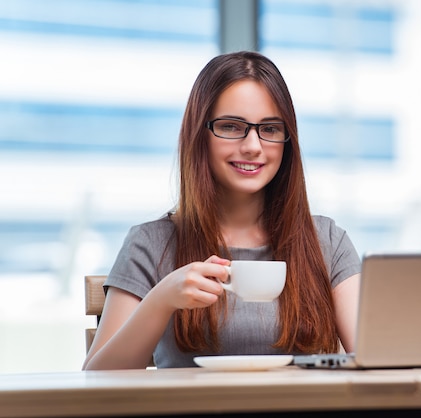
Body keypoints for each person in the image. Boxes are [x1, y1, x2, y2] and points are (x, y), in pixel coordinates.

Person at [82, 51, 362, 370]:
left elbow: (374, 360)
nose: (253, 146)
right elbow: (97, 376)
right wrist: (160, 301)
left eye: (270, 129)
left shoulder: (327, 242)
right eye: (231, 126)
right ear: (199, 135)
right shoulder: (151, 243)